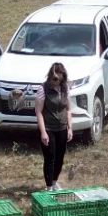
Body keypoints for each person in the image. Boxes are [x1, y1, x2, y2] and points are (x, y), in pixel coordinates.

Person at [35, 62, 73, 191]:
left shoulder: (65, 89)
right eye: (55, 78)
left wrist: (70, 128)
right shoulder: (43, 89)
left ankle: (55, 181)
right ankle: (49, 186)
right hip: (49, 128)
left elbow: (68, 110)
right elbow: (38, 112)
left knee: (60, 156)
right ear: (50, 76)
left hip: (62, 127)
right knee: (50, 157)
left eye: (60, 79)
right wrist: (43, 132)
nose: (57, 81)